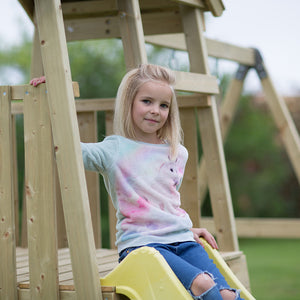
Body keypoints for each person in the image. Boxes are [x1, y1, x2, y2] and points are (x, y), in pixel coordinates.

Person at [30, 64, 243, 300]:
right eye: (147, 101)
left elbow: (163, 203)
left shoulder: (177, 152)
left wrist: (185, 228)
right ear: (129, 103)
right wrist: (52, 97)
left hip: (182, 240)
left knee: (227, 295)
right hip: (142, 246)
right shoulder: (114, 150)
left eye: (163, 105)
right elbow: (67, 149)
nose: (155, 110)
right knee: (202, 284)